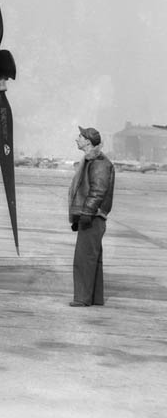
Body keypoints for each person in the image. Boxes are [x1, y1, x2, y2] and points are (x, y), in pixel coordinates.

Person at [67, 126, 115, 307]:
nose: (76, 139)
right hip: (91, 216)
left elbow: (98, 190)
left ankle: (82, 298)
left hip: (93, 217)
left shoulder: (99, 162)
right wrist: (78, 217)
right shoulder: (91, 160)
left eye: (79, 136)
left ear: (87, 141)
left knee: (83, 258)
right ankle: (94, 298)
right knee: (92, 258)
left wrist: (86, 213)